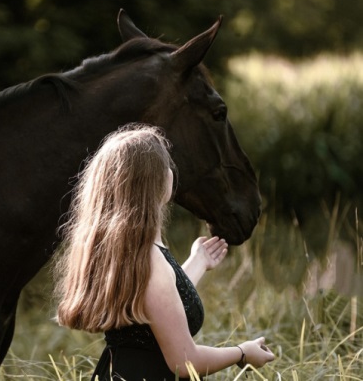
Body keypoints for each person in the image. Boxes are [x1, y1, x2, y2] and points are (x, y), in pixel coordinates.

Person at [53, 124, 275, 380]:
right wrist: (242, 353)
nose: (171, 171)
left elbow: (158, 307)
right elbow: (184, 361)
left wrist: (198, 261)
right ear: (159, 182)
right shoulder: (150, 261)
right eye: (166, 166)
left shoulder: (122, 252)